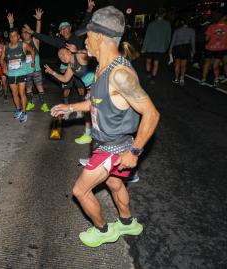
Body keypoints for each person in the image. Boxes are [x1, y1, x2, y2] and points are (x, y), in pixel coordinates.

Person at [52, 6, 160, 247]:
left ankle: (102, 231)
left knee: (80, 190)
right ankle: (127, 222)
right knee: (114, 182)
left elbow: (151, 113)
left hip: (112, 147)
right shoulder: (102, 67)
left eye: (87, 36)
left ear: (99, 36)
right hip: (108, 143)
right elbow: (97, 102)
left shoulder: (120, 73)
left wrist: (134, 151)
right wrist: (69, 108)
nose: (84, 41)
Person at [45, 48, 92, 144]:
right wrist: (52, 72)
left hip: (99, 84)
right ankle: (88, 135)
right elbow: (65, 79)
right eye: (60, 56)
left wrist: (78, 50)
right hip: (90, 88)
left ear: (69, 52)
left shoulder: (79, 56)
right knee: (89, 112)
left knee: (97, 113)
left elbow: (95, 54)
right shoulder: (71, 66)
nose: (62, 57)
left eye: (63, 53)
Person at [22, 0, 96, 52]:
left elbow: (85, 23)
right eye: (62, 30)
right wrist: (32, 32)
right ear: (60, 32)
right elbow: (46, 38)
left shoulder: (77, 35)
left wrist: (89, 10)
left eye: (66, 28)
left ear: (70, 28)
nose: (64, 31)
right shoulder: (60, 42)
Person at [14, 9, 50, 113]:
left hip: (36, 69)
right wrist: (11, 24)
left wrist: (38, 20)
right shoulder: (20, 44)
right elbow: (13, 39)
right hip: (26, 70)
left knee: (39, 86)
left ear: (30, 33)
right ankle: (30, 103)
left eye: (27, 32)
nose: (25, 34)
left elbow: (37, 33)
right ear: (21, 35)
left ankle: (43, 104)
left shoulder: (35, 41)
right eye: (23, 32)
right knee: (28, 88)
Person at [1, 26, 36, 123]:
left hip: (21, 73)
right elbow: (2, 57)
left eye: (15, 36)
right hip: (11, 74)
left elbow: (32, 51)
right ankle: (18, 109)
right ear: (9, 37)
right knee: (14, 93)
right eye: (11, 36)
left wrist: (33, 62)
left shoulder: (23, 45)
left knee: (22, 93)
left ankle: (24, 112)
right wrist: (3, 66)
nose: (13, 38)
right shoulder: (6, 47)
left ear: (18, 36)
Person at [141, 9, 171, 84]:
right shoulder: (167, 24)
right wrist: (165, 47)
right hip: (160, 48)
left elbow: (147, 37)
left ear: (156, 15)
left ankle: (148, 74)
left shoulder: (151, 24)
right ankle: (153, 78)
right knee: (156, 63)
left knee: (148, 61)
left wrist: (144, 48)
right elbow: (168, 38)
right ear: (164, 15)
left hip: (150, 47)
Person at [200, 14, 227, 86]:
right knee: (216, 65)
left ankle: (203, 79)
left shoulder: (211, 26)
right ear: (224, 17)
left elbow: (206, 38)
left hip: (210, 48)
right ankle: (216, 80)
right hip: (221, 48)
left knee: (207, 63)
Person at [169, 20, 195, 87]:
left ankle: (176, 79)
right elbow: (193, 41)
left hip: (177, 48)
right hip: (186, 48)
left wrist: (170, 49)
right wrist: (193, 51)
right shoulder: (192, 30)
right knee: (184, 65)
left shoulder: (177, 30)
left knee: (177, 64)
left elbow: (173, 41)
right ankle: (182, 79)